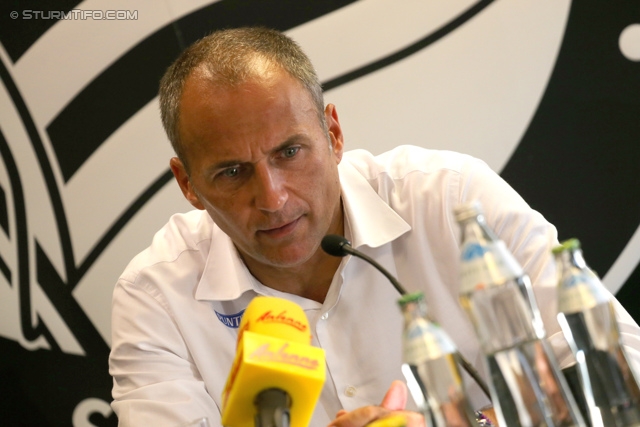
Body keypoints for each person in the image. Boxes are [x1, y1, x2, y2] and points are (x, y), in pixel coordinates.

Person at [108, 27, 640, 427]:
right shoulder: (155, 294)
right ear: (187, 184)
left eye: (290, 152)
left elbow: (624, 369)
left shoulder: (451, 201)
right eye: (231, 172)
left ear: (333, 133)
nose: (272, 198)